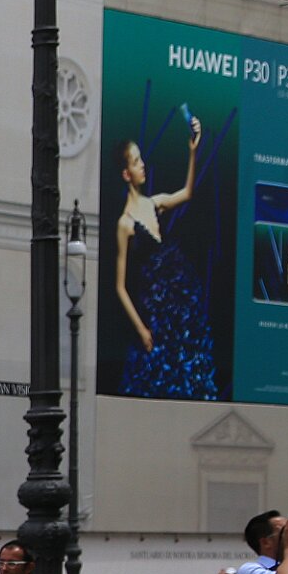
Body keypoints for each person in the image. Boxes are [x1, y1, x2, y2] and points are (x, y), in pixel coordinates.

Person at [111, 113, 217, 400]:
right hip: (156, 314)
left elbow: (188, 193)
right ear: (126, 174)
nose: (142, 164)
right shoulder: (125, 224)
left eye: (141, 159)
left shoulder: (153, 203)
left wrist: (193, 151)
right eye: (136, 162)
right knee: (158, 375)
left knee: (190, 369)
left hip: (180, 306)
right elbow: (119, 287)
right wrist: (141, 329)